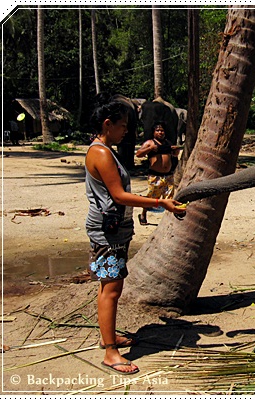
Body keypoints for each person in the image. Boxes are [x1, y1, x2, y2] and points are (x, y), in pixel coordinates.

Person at [85, 99, 186, 375]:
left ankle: (110, 337)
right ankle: (110, 352)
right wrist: (159, 203)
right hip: (108, 233)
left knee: (109, 286)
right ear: (107, 125)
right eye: (122, 127)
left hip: (113, 230)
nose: (126, 132)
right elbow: (118, 195)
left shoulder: (105, 149)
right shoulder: (102, 154)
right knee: (112, 289)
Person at [135, 121, 181, 225]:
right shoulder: (149, 143)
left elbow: (174, 155)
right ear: (154, 132)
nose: (160, 132)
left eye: (162, 130)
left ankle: (168, 219)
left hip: (168, 175)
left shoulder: (167, 143)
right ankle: (143, 214)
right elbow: (138, 154)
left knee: (169, 197)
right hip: (155, 176)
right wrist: (150, 149)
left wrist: (176, 150)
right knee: (152, 197)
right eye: (158, 130)